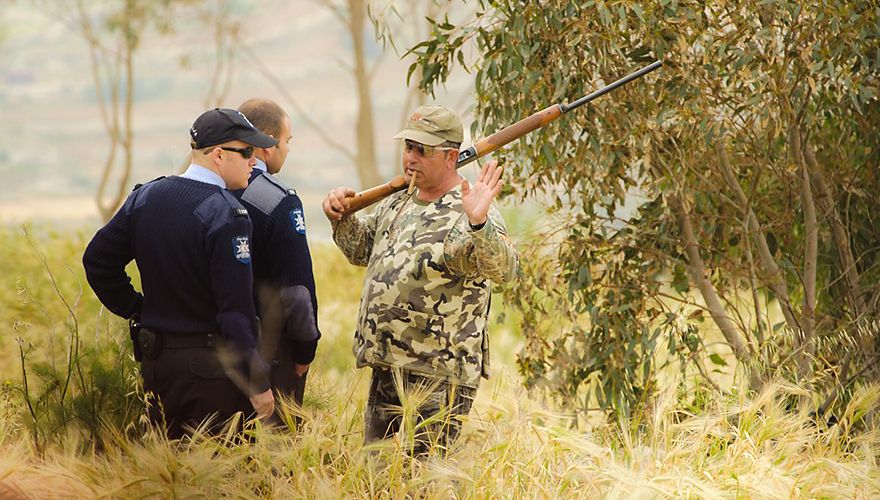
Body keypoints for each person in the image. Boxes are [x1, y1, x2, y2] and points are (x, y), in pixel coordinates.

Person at [322, 104, 518, 455]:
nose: (410, 157)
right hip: (387, 366)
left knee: (426, 480)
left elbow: (504, 270)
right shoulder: (399, 202)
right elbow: (361, 250)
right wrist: (341, 217)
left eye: (421, 150)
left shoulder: (469, 208)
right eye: (407, 147)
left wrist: (479, 226)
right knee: (377, 476)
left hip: (438, 376)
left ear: (451, 156)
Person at [83, 108, 276, 438]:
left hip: (156, 367)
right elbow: (235, 313)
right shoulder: (228, 214)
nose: (254, 162)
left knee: (167, 476)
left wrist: (138, 309)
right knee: (216, 479)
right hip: (213, 373)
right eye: (247, 152)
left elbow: (98, 262)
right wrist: (257, 382)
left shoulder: (145, 198)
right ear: (218, 155)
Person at [233, 98, 320, 425]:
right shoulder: (279, 200)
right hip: (270, 352)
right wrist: (304, 350)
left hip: (210, 351)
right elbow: (297, 291)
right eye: (287, 141)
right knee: (275, 461)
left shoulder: (207, 190)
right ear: (267, 144)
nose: (287, 150)